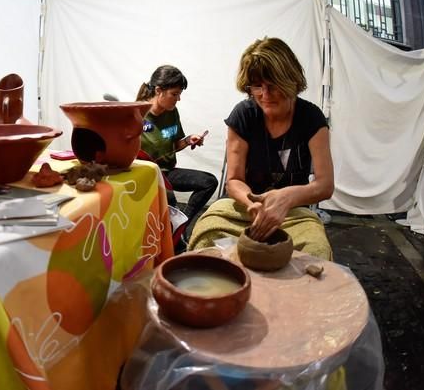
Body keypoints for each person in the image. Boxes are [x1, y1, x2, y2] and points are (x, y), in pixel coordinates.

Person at [187, 37, 334, 260]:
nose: (264, 95)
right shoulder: (243, 115)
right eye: (257, 86)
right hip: (242, 207)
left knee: (317, 250)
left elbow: (325, 185)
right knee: (205, 235)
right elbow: (234, 180)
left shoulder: (311, 118)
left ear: (290, 80)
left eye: (272, 85)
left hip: (292, 212)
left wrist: (287, 197)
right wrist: (251, 204)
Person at [136, 65, 218, 244]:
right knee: (170, 199)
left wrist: (189, 140)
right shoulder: (137, 115)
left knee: (209, 182)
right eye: (175, 94)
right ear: (159, 90)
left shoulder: (171, 113)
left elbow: (174, 144)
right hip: (147, 176)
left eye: (179, 94)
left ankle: (181, 226)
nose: (179, 99)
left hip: (168, 173)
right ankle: (174, 235)